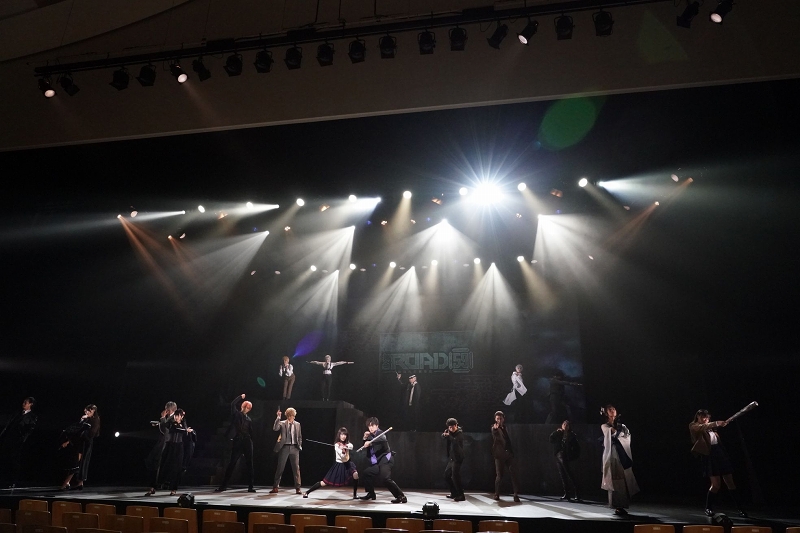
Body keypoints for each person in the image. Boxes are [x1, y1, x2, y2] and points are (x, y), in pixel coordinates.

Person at [689, 409, 747, 517]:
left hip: (720, 453)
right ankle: (708, 508)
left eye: (707, 417)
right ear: (698, 417)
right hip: (709, 455)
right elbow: (703, 427)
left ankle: (741, 508)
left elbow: (711, 429)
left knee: (730, 483)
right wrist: (716, 423)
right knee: (716, 485)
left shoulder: (711, 427)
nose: (705, 419)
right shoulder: (693, 426)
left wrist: (722, 424)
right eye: (703, 417)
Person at [600, 405, 639, 516]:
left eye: (614, 409)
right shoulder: (604, 426)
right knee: (614, 480)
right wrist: (617, 429)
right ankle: (617, 505)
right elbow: (612, 432)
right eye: (610, 409)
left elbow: (627, 437)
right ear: (606, 413)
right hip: (612, 455)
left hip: (622, 454)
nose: (612, 410)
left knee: (623, 480)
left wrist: (620, 431)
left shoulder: (622, 426)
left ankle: (622, 504)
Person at [146, 409, 194, 495]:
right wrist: (161, 419)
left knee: (177, 468)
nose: (176, 417)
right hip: (169, 446)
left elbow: (184, 431)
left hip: (179, 447)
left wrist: (186, 430)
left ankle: (173, 489)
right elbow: (171, 427)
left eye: (178, 416)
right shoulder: (171, 423)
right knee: (162, 466)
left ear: (181, 417)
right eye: (175, 415)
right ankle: (153, 487)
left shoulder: (183, 424)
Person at [359, 417, 406, 503]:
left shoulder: (380, 433)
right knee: (367, 473)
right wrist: (365, 438)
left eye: (372, 425)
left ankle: (401, 496)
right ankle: (371, 493)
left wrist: (370, 442)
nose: (371, 428)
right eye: (369, 426)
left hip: (386, 460)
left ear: (377, 426)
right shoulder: (370, 436)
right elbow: (367, 447)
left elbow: (382, 438)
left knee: (385, 478)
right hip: (378, 462)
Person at [303, 427, 359, 499]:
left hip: (348, 464)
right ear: (339, 435)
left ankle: (355, 495)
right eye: (342, 434)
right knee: (324, 483)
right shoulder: (337, 445)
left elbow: (351, 446)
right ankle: (307, 492)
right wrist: (342, 450)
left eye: (345, 435)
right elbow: (342, 457)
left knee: (355, 475)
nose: (343, 436)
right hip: (339, 465)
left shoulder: (347, 443)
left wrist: (345, 446)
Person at [215, 394, 255, 492]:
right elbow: (232, 404)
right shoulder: (237, 414)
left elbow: (251, 432)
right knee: (232, 463)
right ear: (242, 406)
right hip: (238, 440)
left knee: (250, 464)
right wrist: (240, 397)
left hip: (247, 441)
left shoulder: (249, 419)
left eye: (248, 408)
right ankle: (223, 486)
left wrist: (251, 442)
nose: (246, 408)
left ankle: (251, 486)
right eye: (245, 406)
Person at [59, 404, 100, 490]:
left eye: (89, 411)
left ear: (93, 411)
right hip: (79, 442)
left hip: (86, 443)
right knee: (76, 462)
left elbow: (92, 433)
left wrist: (84, 427)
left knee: (80, 462)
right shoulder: (85, 419)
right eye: (86, 411)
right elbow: (77, 430)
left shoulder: (95, 419)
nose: (87, 412)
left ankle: (69, 482)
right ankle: (75, 483)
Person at [0, 397, 37, 488]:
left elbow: (29, 430)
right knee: (4, 458)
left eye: (26, 402)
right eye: (23, 402)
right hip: (9, 439)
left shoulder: (32, 416)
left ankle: (13, 481)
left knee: (15, 461)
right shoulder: (17, 413)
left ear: (31, 404)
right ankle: (4, 478)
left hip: (18, 442)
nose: (23, 404)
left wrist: (22, 439)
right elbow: (9, 425)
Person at [145, 401, 177, 491]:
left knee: (159, 462)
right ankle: (155, 483)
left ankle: (156, 484)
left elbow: (166, 430)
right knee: (153, 460)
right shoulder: (169, 417)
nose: (165, 410)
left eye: (167, 409)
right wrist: (159, 423)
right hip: (162, 441)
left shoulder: (174, 418)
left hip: (166, 443)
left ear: (170, 410)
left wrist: (162, 418)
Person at [271, 407, 302, 494]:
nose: (291, 417)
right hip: (284, 447)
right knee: (280, 467)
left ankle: (298, 487)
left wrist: (299, 445)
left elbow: (299, 436)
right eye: (289, 416)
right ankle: (275, 487)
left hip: (294, 448)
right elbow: (275, 428)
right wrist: (278, 417)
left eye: (292, 416)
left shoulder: (297, 424)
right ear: (287, 416)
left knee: (296, 468)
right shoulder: (282, 423)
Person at [491, 411, 520, 502]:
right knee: (499, 475)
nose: (499, 420)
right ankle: (496, 494)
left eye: (500, 418)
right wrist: (495, 429)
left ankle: (516, 494)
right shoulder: (494, 428)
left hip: (508, 454)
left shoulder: (506, 428)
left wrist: (511, 452)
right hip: (499, 455)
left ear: (503, 419)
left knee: (513, 473)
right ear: (495, 419)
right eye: (497, 419)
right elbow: (495, 433)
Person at [549, 419, 581, 501]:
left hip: (565, 455)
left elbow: (576, 447)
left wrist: (572, 455)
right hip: (559, 455)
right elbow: (551, 439)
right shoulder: (559, 433)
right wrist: (556, 432)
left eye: (567, 425)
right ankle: (567, 493)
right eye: (564, 424)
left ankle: (577, 493)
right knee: (563, 475)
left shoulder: (571, 435)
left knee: (569, 474)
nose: (565, 426)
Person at [442, 417, 465, 501]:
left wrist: (449, 436)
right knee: (446, 476)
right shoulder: (449, 432)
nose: (451, 429)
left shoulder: (459, 433)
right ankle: (454, 493)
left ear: (456, 425)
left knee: (455, 477)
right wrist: (445, 435)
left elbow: (455, 442)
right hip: (452, 458)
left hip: (458, 457)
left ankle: (461, 495)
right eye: (449, 427)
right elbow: (443, 436)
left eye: (452, 427)